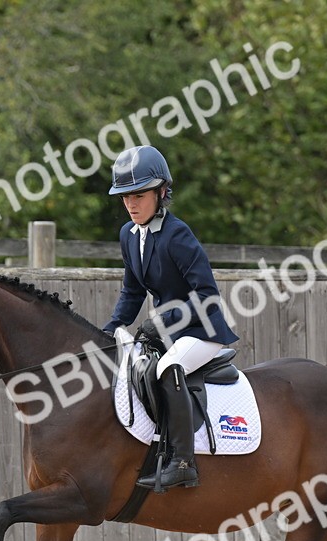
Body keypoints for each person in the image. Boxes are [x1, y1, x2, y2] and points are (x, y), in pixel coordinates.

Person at [102, 145, 238, 490]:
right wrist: (109, 330)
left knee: (166, 368)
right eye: (125, 197)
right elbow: (132, 292)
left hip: (202, 331)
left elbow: (207, 296)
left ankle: (182, 462)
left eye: (139, 195)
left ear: (161, 192)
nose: (131, 204)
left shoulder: (177, 234)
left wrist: (162, 322)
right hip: (167, 334)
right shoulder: (128, 236)